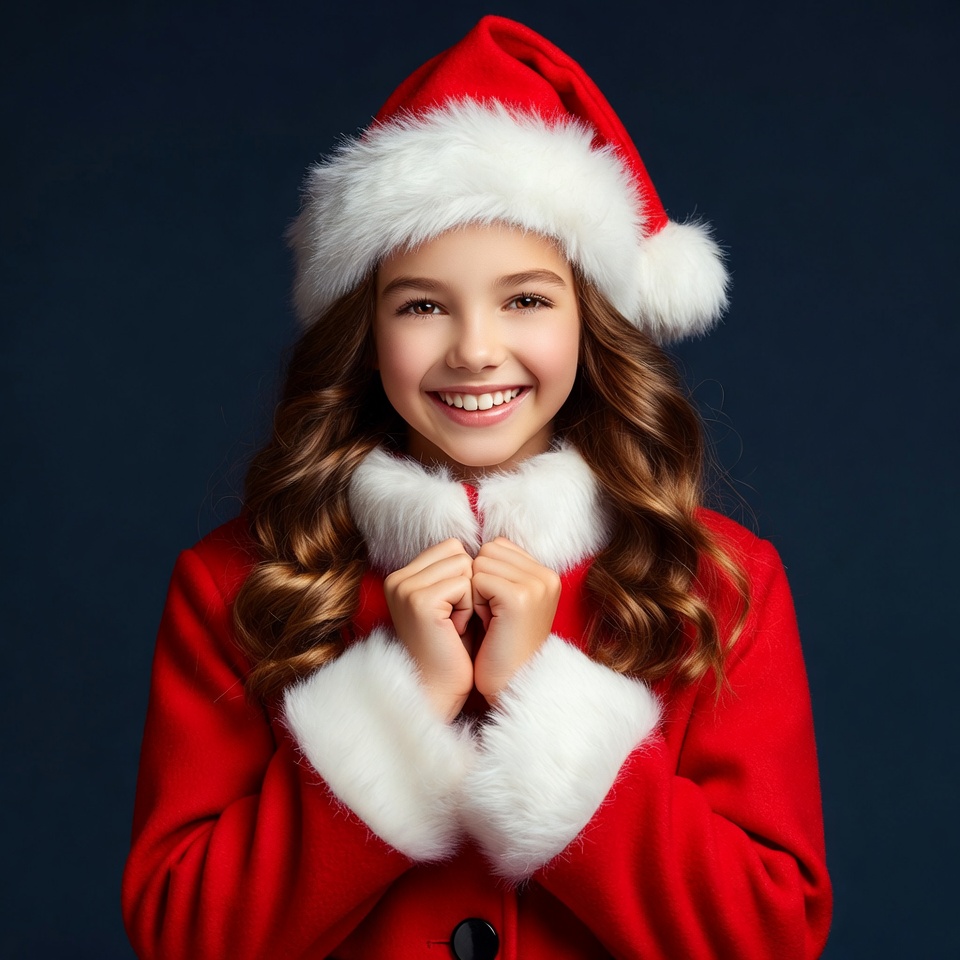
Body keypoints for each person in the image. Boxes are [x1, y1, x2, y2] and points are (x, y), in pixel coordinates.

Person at [122, 15, 832, 960]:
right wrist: (394, 710)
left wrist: (542, 703)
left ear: (594, 319)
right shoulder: (237, 582)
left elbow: (769, 936)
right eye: (422, 304)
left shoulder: (720, 582)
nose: (475, 350)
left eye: (527, 299)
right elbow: (183, 934)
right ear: (364, 332)